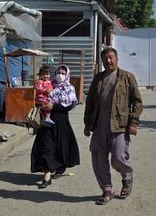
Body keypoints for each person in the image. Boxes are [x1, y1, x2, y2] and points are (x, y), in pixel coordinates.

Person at [84, 47, 143, 205]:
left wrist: (133, 123)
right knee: (98, 158)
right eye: (105, 59)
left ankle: (127, 178)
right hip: (99, 126)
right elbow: (89, 103)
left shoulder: (127, 77)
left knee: (118, 158)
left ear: (117, 59)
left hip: (119, 126)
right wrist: (87, 124)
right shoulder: (98, 79)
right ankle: (107, 189)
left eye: (111, 58)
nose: (108, 61)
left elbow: (137, 102)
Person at [31, 65, 80, 189]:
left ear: (67, 74)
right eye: (58, 72)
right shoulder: (49, 84)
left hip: (61, 122)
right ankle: (46, 176)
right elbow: (38, 97)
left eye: (63, 73)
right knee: (45, 146)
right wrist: (42, 105)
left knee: (61, 147)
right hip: (46, 121)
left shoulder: (69, 88)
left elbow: (69, 106)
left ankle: (60, 167)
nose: (60, 74)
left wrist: (54, 106)